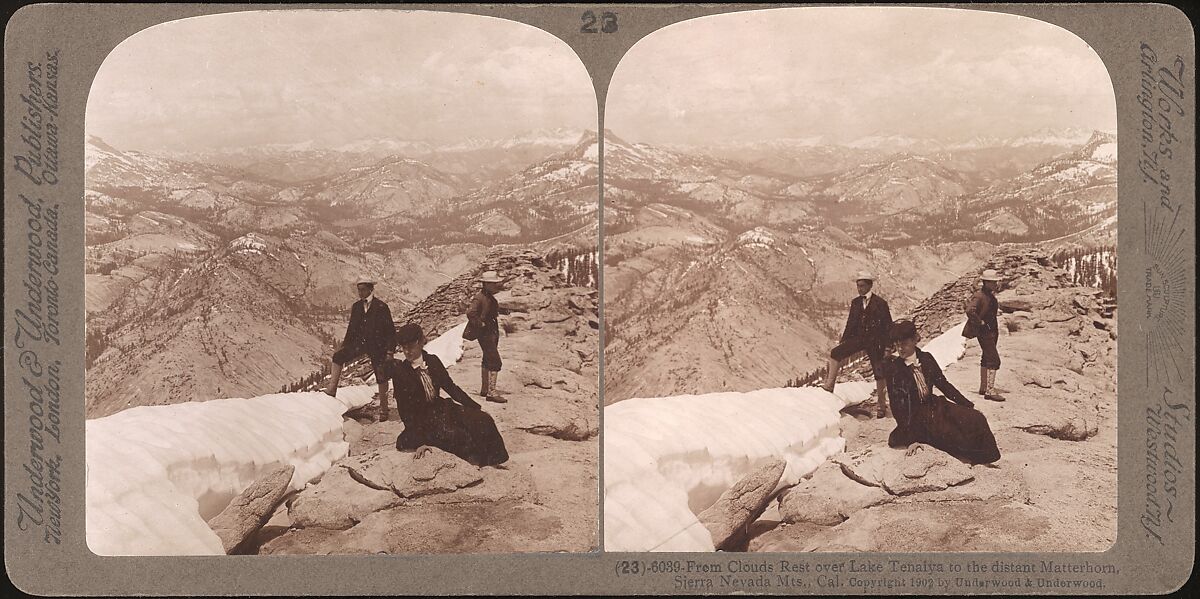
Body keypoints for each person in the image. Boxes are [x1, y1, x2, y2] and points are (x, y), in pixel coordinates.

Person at [883, 319, 1001, 465]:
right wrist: (911, 440)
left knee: (975, 417)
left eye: (904, 344)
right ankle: (966, 458)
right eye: (897, 344)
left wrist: (967, 405)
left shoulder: (926, 358)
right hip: (913, 415)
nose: (900, 349)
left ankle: (983, 459)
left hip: (933, 406)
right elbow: (897, 407)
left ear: (914, 340)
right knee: (947, 432)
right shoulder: (894, 369)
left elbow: (944, 385)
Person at [391, 323, 509, 467]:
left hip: (441, 408)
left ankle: (490, 463)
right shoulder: (400, 372)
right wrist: (419, 442)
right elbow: (405, 411)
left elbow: (451, 388)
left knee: (483, 419)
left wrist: (475, 407)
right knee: (455, 434)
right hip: (420, 419)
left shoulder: (432, 361)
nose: (407, 352)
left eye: (411, 347)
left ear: (421, 342)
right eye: (404, 348)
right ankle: (474, 465)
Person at [822, 271, 894, 417]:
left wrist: (887, 347)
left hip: (876, 342)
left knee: (879, 372)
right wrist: (844, 342)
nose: (859, 288)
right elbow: (850, 323)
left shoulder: (880, 303)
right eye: (858, 286)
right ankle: (829, 386)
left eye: (862, 286)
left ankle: (881, 406)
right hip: (859, 339)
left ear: (870, 285)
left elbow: (888, 327)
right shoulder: (856, 302)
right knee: (835, 353)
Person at [325, 276, 396, 421]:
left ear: (371, 289)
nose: (360, 292)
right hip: (360, 344)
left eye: (363, 289)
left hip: (378, 345)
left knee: (381, 375)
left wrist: (390, 351)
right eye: (359, 290)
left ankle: (384, 409)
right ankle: (331, 390)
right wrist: (345, 346)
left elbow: (390, 331)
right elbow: (352, 328)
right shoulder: (357, 307)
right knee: (338, 357)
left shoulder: (381, 307)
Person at [964, 269, 1006, 402]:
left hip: (992, 331)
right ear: (986, 282)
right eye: (993, 282)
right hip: (985, 332)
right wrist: (980, 322)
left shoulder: (989, 296)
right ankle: (990, 391)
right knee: (994, 360)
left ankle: (983, 387)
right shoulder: (979, 296)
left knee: (986, 357)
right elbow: (969, 310)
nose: (995, 284)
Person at [467, 270, 506, 403]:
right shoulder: (480, 298)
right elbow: (471, 313)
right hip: (485, 333)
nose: (496, 286)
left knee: (487, 358)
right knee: (495, 361)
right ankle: (491, 393)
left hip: (491, 331)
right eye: (493, 284)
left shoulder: (488, 296)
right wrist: (481, 324)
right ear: (486, 284)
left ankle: (485, 389)